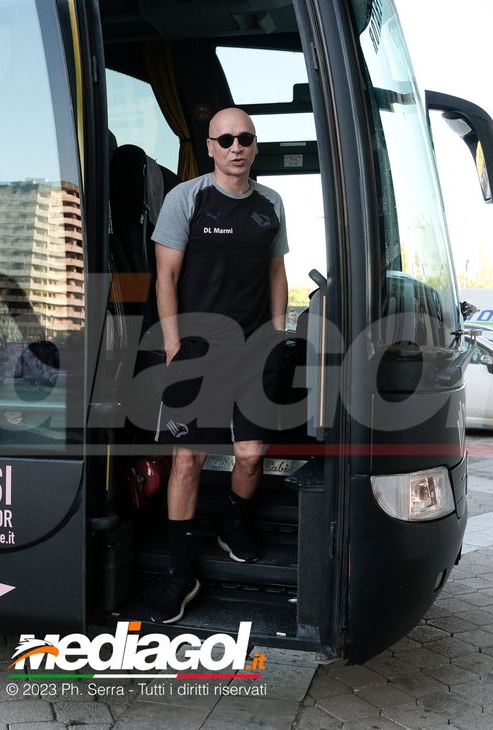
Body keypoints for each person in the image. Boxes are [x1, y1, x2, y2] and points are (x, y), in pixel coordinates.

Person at [148, 107, 288, 624]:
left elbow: (277, 268)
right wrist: (172, 346)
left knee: (251, 455)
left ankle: (235, 523)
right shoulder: (185, 199)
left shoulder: (270, 203)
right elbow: (166, 277)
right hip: (198, 348)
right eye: (225, 138)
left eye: (245, 138)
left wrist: (277, 331)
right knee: (189, 459)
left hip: (254, 348)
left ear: (255, 146)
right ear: (209, 146)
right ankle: (179, 572)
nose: (236, 146)